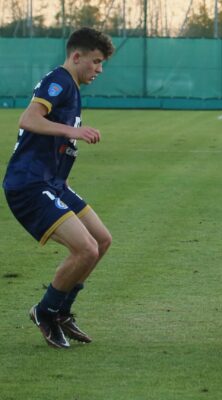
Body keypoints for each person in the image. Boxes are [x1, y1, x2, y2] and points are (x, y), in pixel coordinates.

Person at [3, 27, 115, 349]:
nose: (99, 69)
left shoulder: (72, 87)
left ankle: (62, 312)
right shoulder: (60, 80)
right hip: (28, 184)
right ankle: (45, 311)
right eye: (95, 61)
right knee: (86, 249)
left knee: (102, 240)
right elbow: (28, 119)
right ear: (76, 56)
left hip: (51, 181)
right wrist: (72, 132)